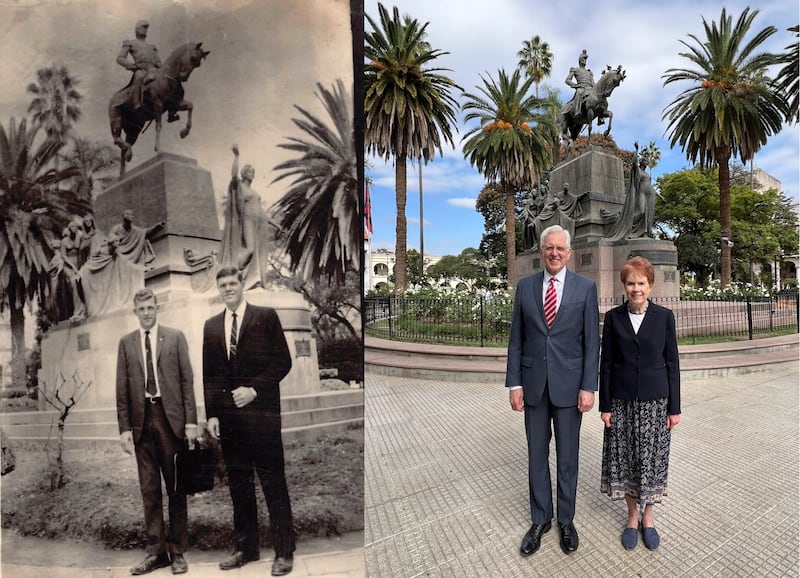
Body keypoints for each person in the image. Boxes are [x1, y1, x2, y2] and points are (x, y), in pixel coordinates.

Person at [506, 224, 600, 557]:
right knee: (536, 456)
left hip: (570, 387)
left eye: (560, 248)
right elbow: (516, 339)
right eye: (549, 248)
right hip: (532, 387)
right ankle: (540, 519)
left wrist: (589, 387)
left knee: (568, 459)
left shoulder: (586, 288)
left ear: (569, 253)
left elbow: (592, 344)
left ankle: (566, 520)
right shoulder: (526, 287)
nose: (555, 253)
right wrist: (514, 383)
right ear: (542, 251)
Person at [203, 266, 295, 576]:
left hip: (262, 417)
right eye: (223, 285)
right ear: (219, 289)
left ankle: (284, 551)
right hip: (230, 422)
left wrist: (254, 389)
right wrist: (212, 414)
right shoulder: (212, 326)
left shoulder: (265, 316)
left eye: (232, 283)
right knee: (239, 486)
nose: (228, 288)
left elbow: (283, 361)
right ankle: (246, 547)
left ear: (242, 285)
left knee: (272, 482)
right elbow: (210, 376)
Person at [599, 256, 681, 551]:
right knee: (627, 461)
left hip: (656, 403)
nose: (636, 289)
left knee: (651, 461)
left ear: (650, 285)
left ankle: (649, 517)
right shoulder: (613, 317)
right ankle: (632, 516)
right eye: (631, 283)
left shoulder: (664, 317)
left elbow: (672, 363)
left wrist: (675, 408)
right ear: (624, 285)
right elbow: (606, 364)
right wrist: (605, 406)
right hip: (621, 402)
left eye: (641, 283)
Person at [116, 288, 198, 575]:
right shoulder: (126, 344)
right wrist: (124, 428)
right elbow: (122, 389)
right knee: (149, 489)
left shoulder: (174, 337)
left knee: (176, 487)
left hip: (170, 419)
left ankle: (177, 552)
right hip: (141, 423)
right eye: (142, 309)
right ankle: (156, 552)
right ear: (135, 312)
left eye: (151, 307)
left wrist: (191, 422)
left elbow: (187, 381)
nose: (147, 312)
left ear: (157, 307)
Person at [219, 144, 269, 287]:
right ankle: (235, 270)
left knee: (258, 253)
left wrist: (277, 225)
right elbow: (233, 175)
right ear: (244, 173)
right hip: (247, 220)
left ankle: (255, 279)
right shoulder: (240, 186)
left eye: (253, 172)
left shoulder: (254, 192)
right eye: (250, 172)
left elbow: (262, 212)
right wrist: (236, 157)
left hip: (259, 222)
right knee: (251, 249)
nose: (253, 174)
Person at [117, 20, 161, 110]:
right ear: (137, 29)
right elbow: (120, 58)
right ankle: (136, 103)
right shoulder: (131, 43)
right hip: (141, 69)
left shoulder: (152, 47)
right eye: (143, 27)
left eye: (146, 28)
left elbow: (158, 62)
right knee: (139, 76)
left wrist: (163, 67)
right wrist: (133, 66)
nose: (145, 30)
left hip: (153, 70)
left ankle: (172, 109)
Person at [563, 50, 597, 122]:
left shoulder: (589, 72)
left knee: (599, 97)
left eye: (585, 59)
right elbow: (567, 80)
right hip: (581, 87)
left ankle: (600, 118)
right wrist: (575, 85)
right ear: (580, 60)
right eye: (583, 59)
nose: (584, 61)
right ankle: (577, 111)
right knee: (579, 92)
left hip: (590, 88)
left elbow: (593, 83)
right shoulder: (575, 70)